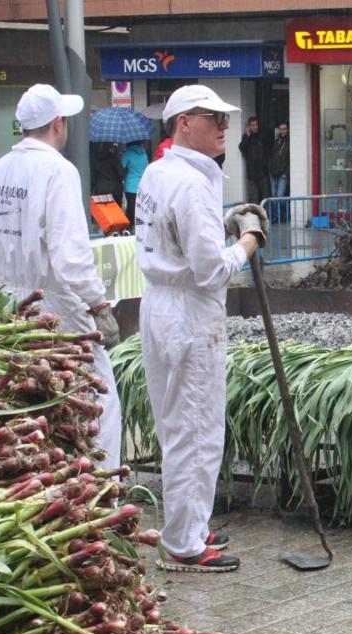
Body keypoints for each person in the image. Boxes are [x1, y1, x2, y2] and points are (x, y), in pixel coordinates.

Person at [133, 85, 268, 574]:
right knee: (197, 427)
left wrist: (223, 222)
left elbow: (179, 234)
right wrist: (249, 240)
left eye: (225, 119)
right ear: (184, 122)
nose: (223, 127)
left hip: (162, 303)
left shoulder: (159, 171)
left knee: (178, 424)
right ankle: (185, 544)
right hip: (189, 311)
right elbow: (212, 269)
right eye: (214, 119)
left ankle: (190, 522)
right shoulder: (189, 183)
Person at [0, 83, 121, 469]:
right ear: (58, 123)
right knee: (96, 401)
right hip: (56, 309)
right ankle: (102, 488)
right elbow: (70, 254)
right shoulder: (58, 171)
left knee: (29, 405)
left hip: (10, 308)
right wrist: (98, 303)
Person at [238, 116, 269, 204]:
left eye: (256, 124)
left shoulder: (262, 136)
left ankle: (266, 216)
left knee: (265, 198)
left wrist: (266, 165)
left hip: (262, 172)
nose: (255, 127)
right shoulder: (246, 137)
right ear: (249, 126)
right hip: (251, 174)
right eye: (253, 125)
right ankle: (256, 217)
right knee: (254, 199)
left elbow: (268, 151)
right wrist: (247, 136)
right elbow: (242, 148)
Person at [121, 140, 148, 225]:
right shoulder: (144, 154)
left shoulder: (128, 154)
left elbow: (122, 166)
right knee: (140, 207)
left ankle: (130, 225)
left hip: (130, 185)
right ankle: (140, 224)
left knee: (131, 206)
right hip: (142, 184)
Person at [266, 123, 289, 222]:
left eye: (284, 129)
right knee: (274, 196)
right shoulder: (276, 142)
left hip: (283, 174)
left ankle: (283, 216)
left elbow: (289, 160)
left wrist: (285, 173)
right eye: (280, 129)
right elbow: (271, 156)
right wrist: (270, 168)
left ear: (287, 130)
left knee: (279, 196)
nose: (282, 131)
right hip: (273, 173)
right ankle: (277, 217)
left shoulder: (289, 142)